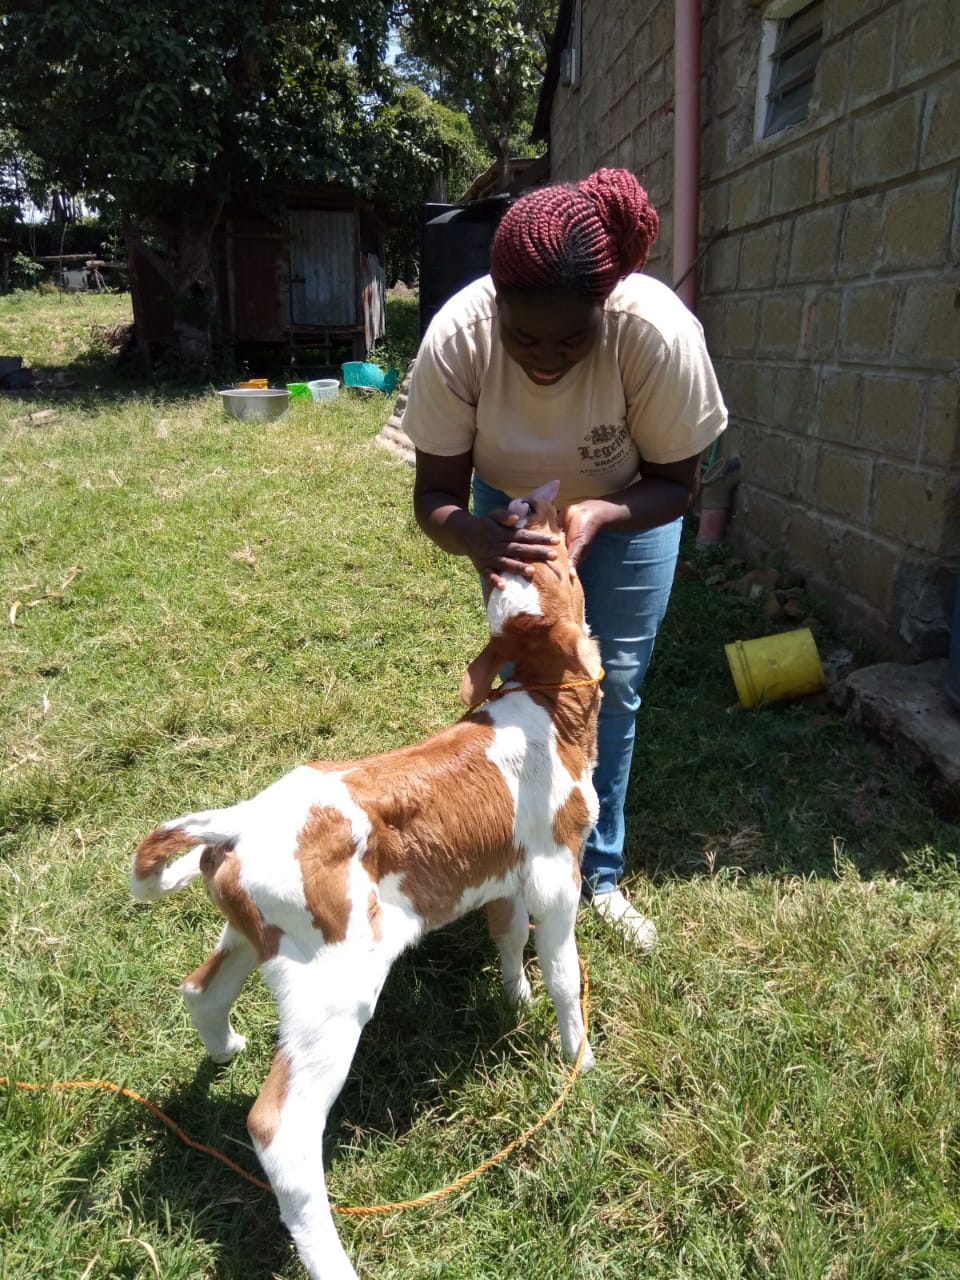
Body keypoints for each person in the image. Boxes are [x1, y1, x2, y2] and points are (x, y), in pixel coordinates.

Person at [402, 168, 727, 950]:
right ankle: (523, 850)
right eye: (526, 338)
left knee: (606, 684)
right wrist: (478, 534)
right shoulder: (459, 336)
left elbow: (679, 482)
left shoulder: (653, 333)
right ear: (497, 305)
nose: (546, 358)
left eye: (571, 340)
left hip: (629, 506)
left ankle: (596, 873)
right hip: (505, 514)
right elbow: (433, 496)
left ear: (604, 309)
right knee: (528, 683)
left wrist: (601, 514)